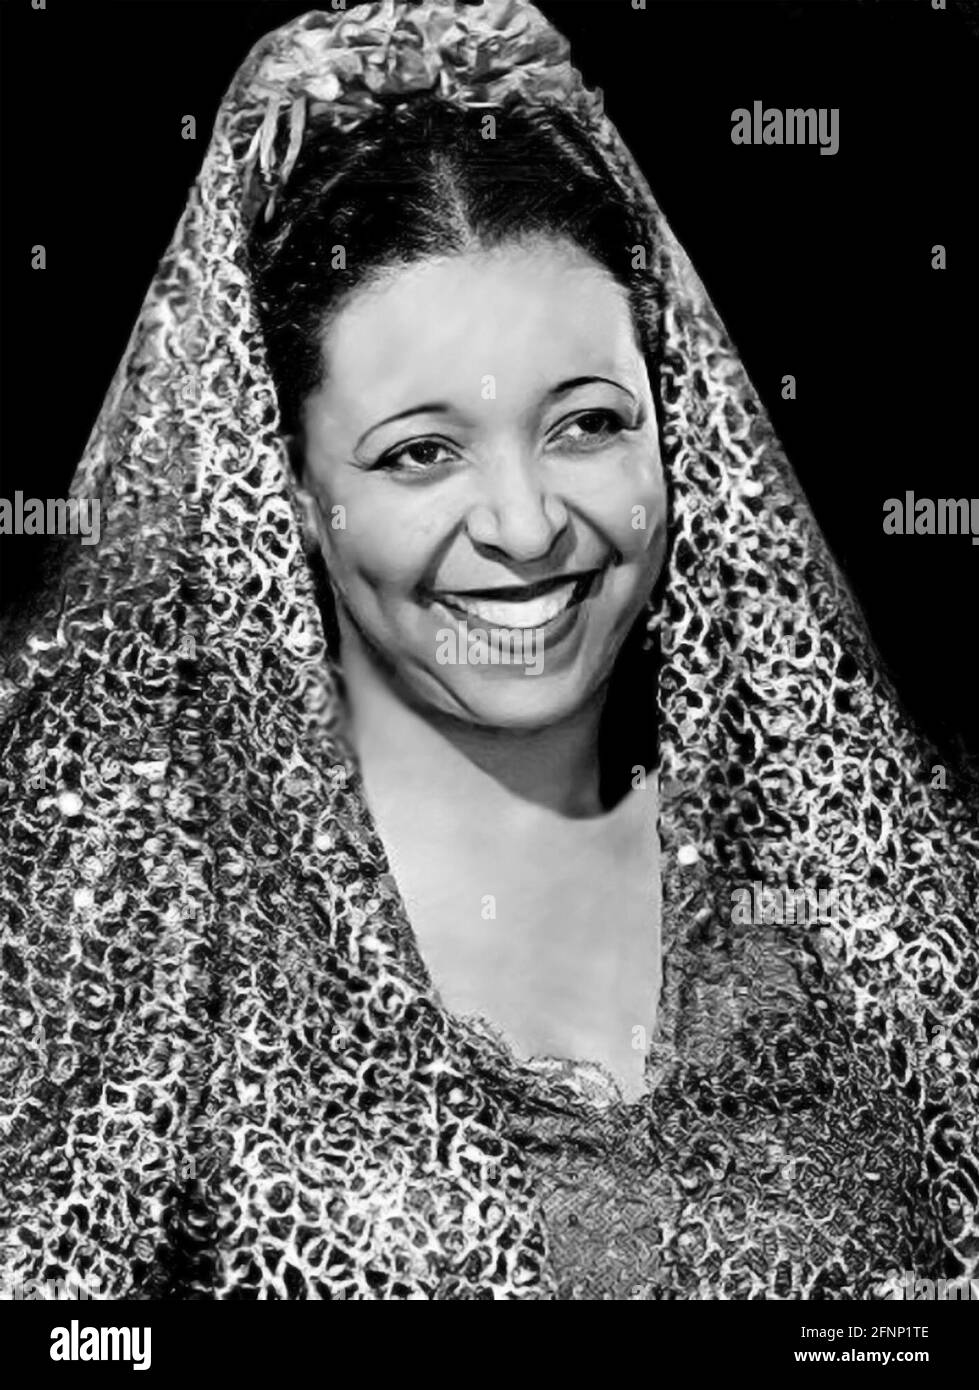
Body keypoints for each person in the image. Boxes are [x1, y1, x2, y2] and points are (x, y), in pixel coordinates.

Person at [0, 0, 976, 1301]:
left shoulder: (860, 886)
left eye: (587, 425)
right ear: (286, 486)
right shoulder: (145, 926)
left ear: (676, 428)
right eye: (420, 452)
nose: (525, 526)